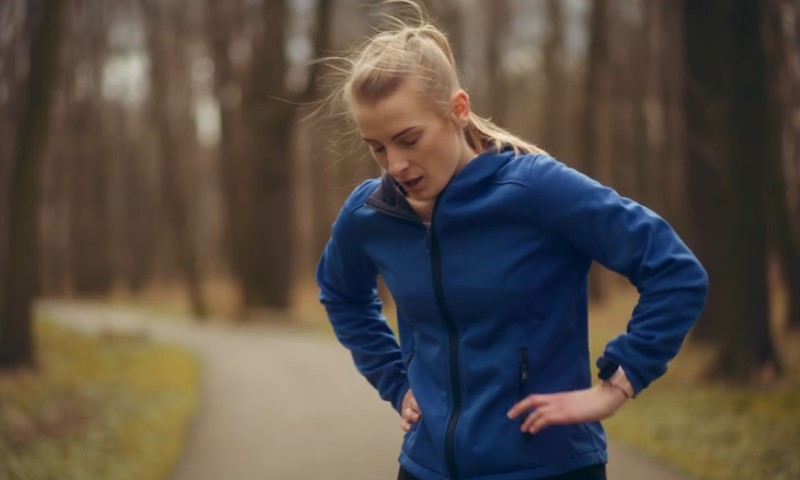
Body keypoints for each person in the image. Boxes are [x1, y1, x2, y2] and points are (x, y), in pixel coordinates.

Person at [315, 2, 708, 479]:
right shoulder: (372, 214)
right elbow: (342, 294)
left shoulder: (535, 190)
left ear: (457, 110)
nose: (394, 165)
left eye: (409, 139)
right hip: (426, 468)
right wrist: (395, 383)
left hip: (550, 466)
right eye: (377, 147)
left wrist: (615, 386)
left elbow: (675, 271)